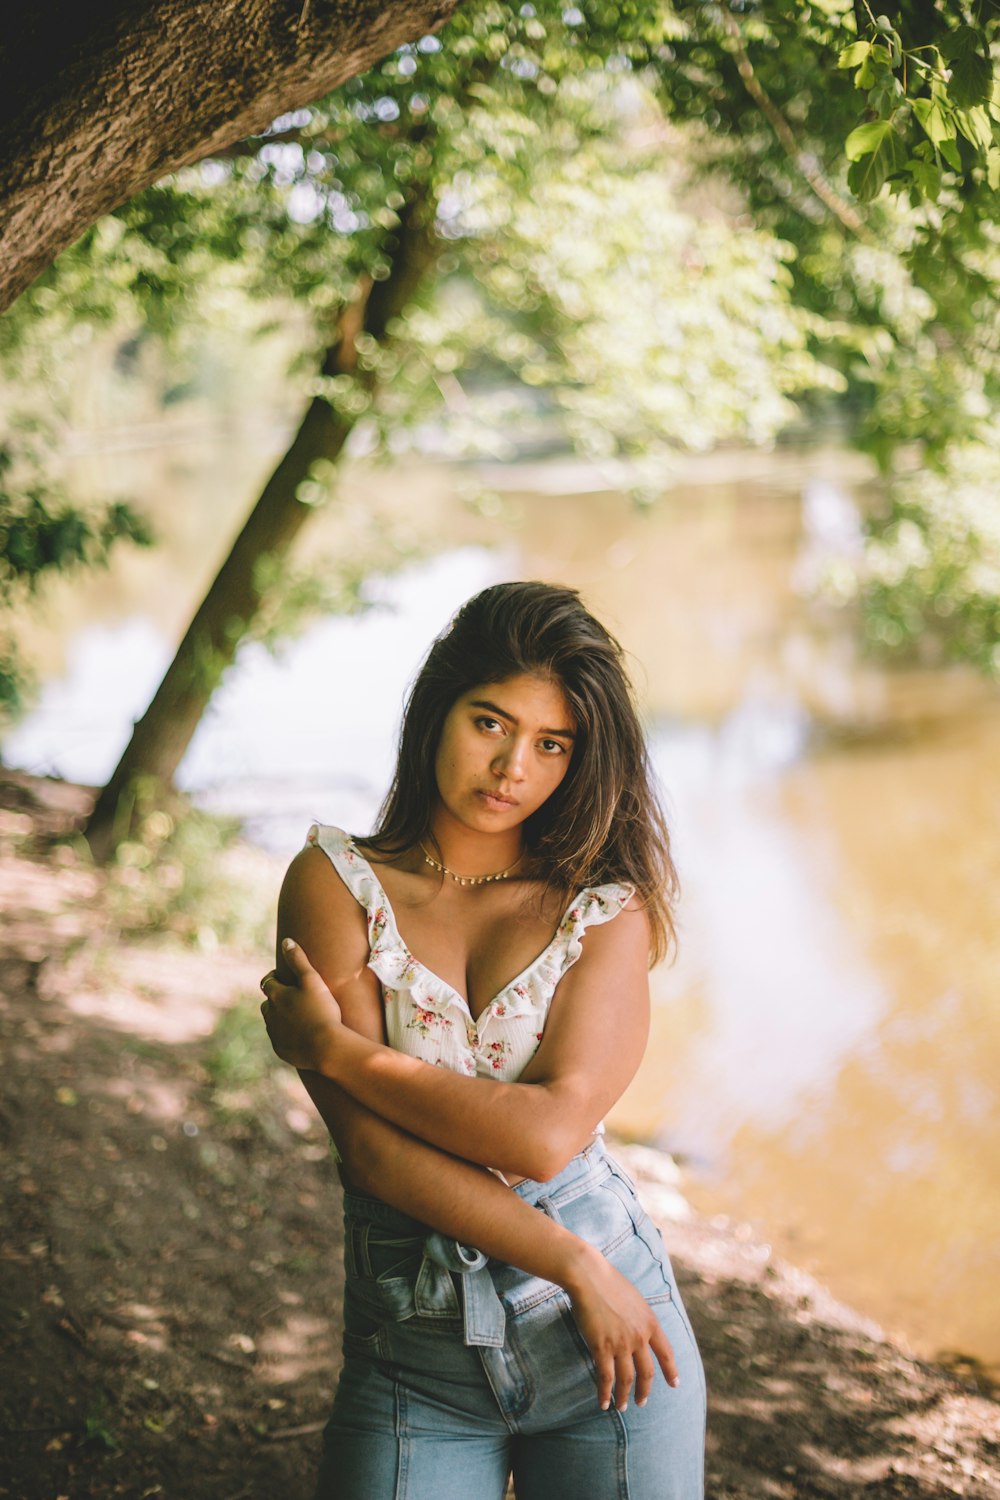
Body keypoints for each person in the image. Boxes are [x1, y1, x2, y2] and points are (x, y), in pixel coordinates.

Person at [259, 581, 706, 1500]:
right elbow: (376, 1154)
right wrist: (568, 1261)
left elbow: (544, 1137)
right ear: (436, 710)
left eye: (553, 744)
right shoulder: (336, 884)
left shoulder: (601, 910)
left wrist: (336, 1051)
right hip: (412, 1359)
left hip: (612, 1337)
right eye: (490, 723)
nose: (513, 768)